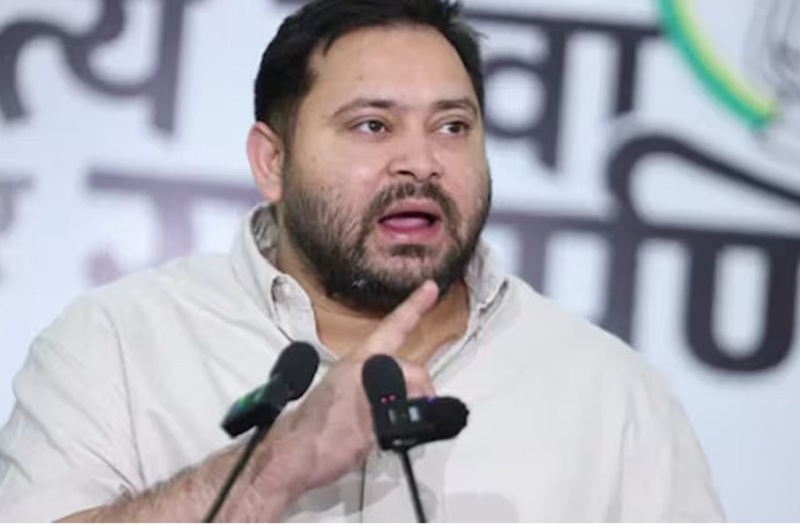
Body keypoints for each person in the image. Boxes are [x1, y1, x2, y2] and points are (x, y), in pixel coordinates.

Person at [0, 0, 724, 521]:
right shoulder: (117, 344)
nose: (421, 162)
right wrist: (274, 468)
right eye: (373, 125)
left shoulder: (610, 394)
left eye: (453, 126)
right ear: (272, 161)